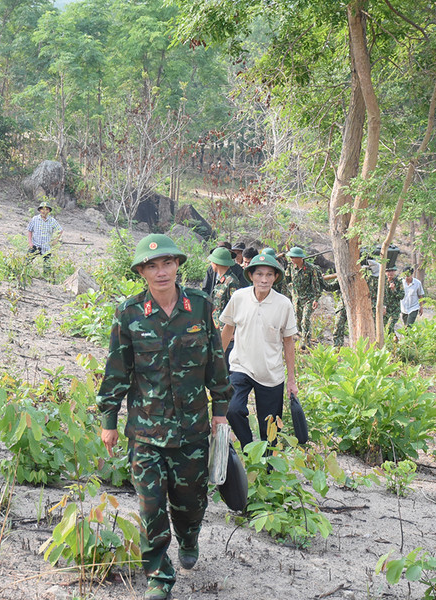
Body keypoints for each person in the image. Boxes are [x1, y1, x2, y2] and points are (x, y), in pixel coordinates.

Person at [97, 234, 231, 600]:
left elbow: (216, 363)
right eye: (152, 266)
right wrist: (109, 419)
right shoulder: (129, 313)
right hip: (146, 431)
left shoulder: (200, 307)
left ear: (177, 266)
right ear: (141, 272)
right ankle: (159, 576)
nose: (161, 272)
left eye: (167, 263)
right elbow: (117, 369)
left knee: (191, 503)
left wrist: (220, 412)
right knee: (151, 506)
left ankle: (189, 536)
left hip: (192, 430)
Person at [219, 253, 298, 448]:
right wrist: (216, 363)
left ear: (276, 277)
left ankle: (268, 462)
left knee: (270, 429)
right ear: (251, 275)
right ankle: (249, 449)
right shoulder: (239, 297)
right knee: (233, 409)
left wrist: (291, 380)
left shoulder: (284, 304)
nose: (264, 279)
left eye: (269, 275)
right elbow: (228, 329)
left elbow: (288, 342)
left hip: (271, 373)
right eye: (259, 274)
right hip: (241, 366)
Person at [285, 246, 328, 347]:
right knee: (298, 321)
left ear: (300, 258)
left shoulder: (311, 269)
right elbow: (286, 280)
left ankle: (306, 343)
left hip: (309, 298)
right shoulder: (290, 267)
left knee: (305, 320)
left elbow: (316, 285)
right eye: (290, 257)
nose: (291, 259)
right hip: (297, 299)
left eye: (293, 257)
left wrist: (316, 299)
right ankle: (301, 339)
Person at [207, 246, 242, 365]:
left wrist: (233, 332)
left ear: (216, 263)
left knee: (225, 365)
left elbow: (237, 308)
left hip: (228, 334)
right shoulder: (221, 281)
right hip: (219, 331)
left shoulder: (232, 282)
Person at [26, 199, 63, 277]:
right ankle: (25, 275)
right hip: (35, 244)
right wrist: (30, 243)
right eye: (42, 209)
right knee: (27, 261)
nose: (44, 211)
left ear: (49, 211)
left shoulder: (52, 221)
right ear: (40, 210)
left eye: (46, 209)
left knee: (47, 266)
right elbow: (29, 230)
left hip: (46, 246)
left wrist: (56, 240)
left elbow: (60, 230)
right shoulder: (35, 219)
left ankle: (46, 279)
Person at [382, 264, 405, 336]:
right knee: (384, 328)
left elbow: (402, 296)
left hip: (395, 310)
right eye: (388, 271)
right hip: (385, 310)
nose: (390, 273)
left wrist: (394, 290)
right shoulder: (382, 282)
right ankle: (394, 340)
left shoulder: (398, 282)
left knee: (389, 327)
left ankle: (394, 340)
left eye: (392, 271)